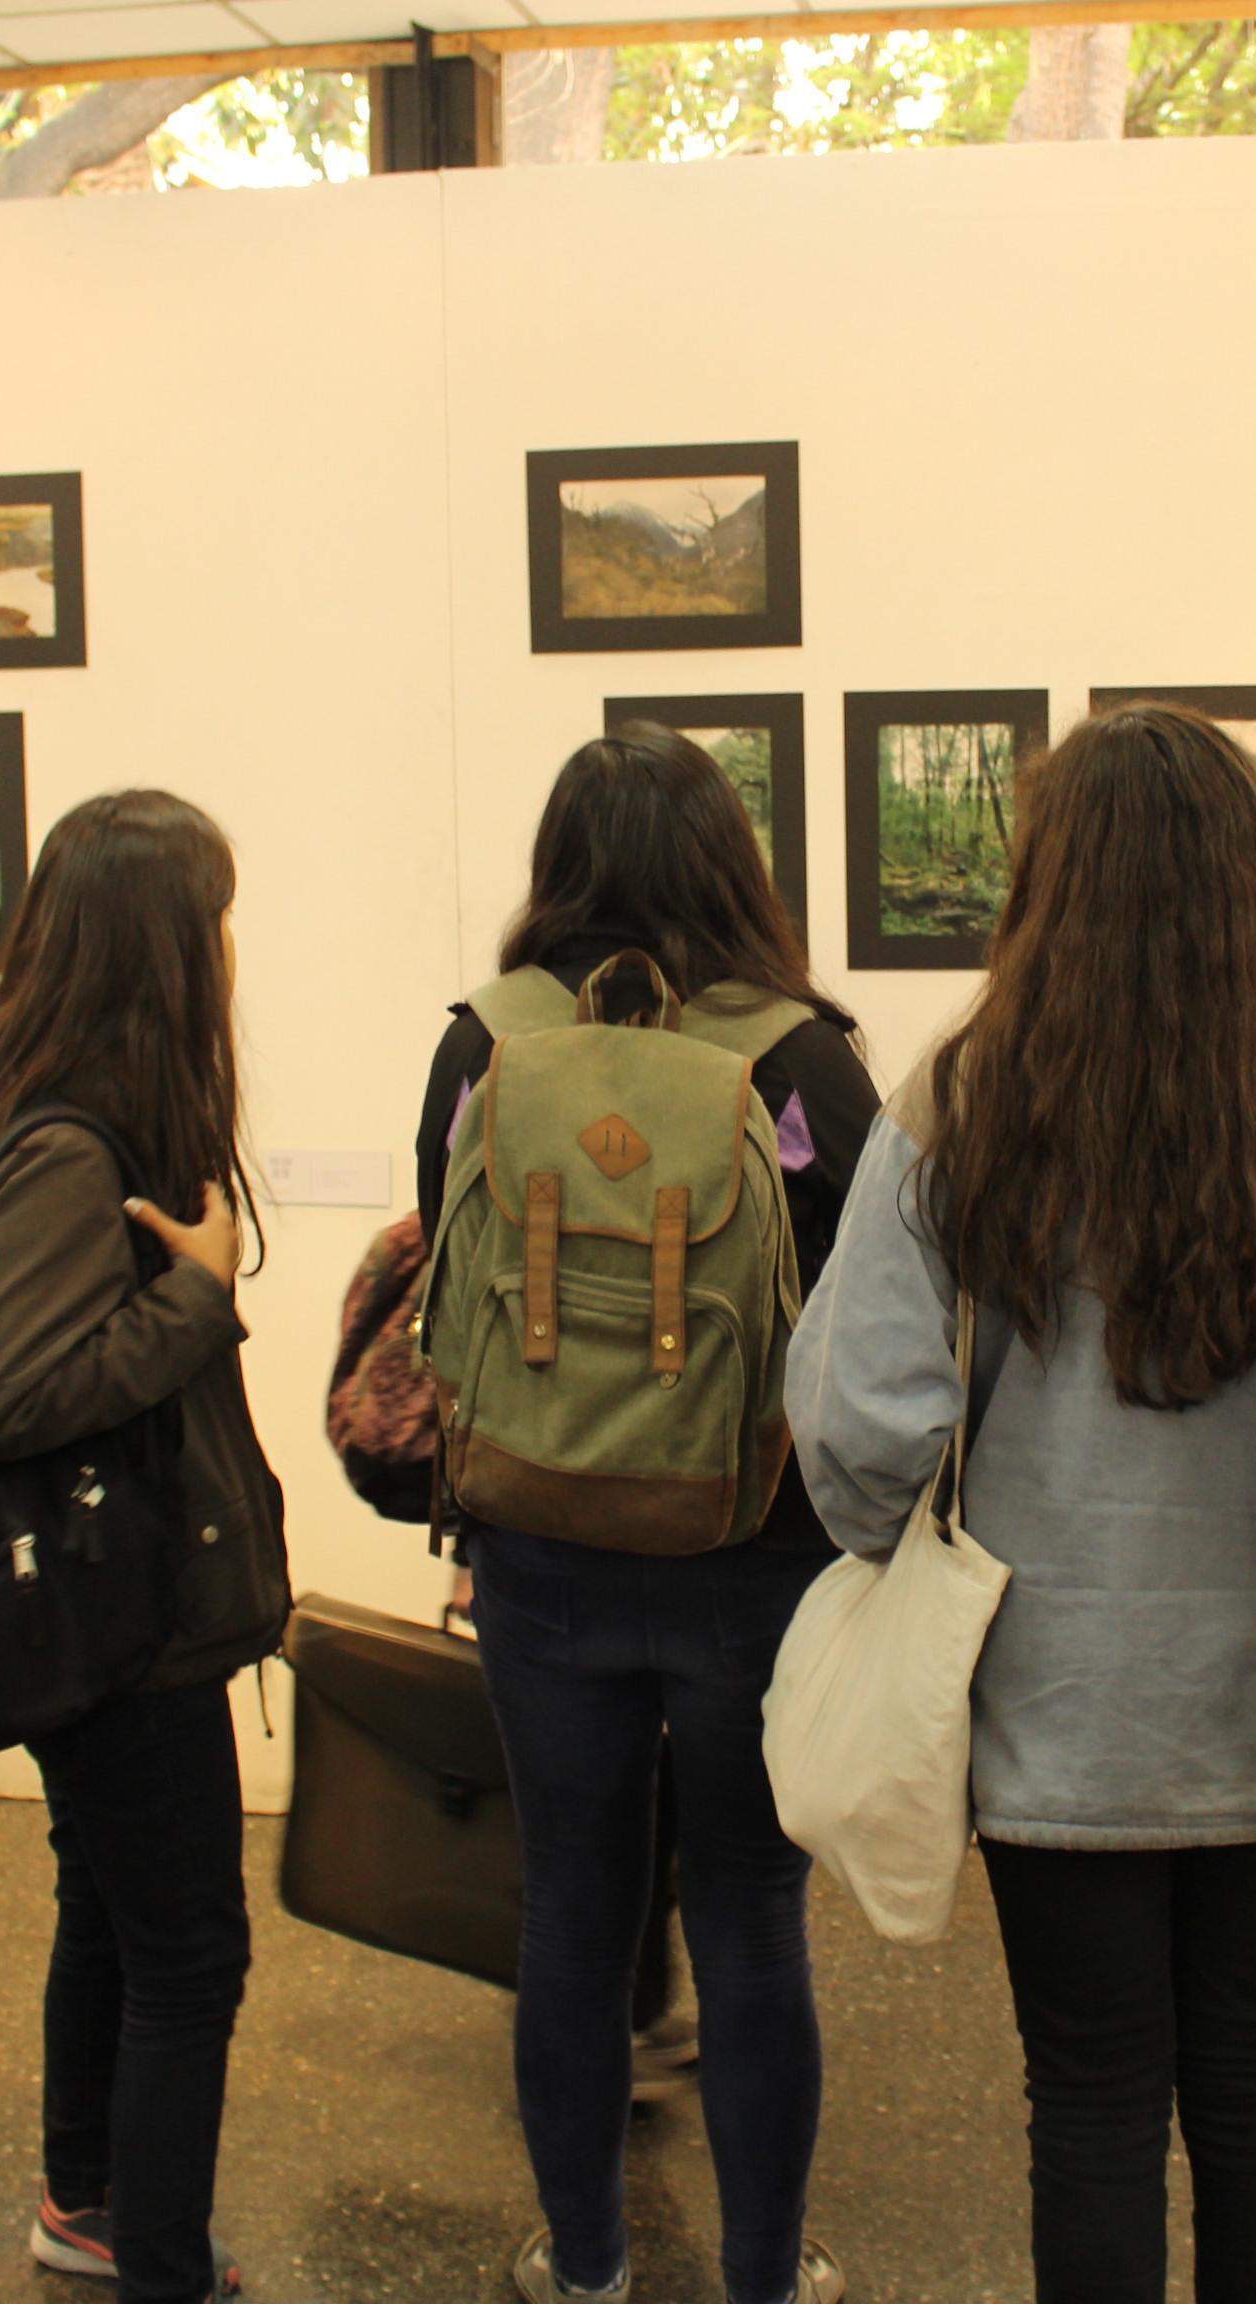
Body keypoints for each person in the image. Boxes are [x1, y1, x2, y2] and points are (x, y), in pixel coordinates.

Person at [787, 702, 1256, 2304]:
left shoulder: (970, 1096)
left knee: (1086, 2102)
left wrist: (919, 1537)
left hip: (1054, 1693)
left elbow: (858, 1416)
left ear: (1049, 883)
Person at [413, 726, 877, 2304]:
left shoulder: (486, 1044)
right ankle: (760, 2276)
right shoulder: (804, 1060)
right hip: (753, 1548)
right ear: (733, 866)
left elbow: (448, 1281)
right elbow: (873, 1323)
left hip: (539, 1544)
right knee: (748, 1920)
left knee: (573, 1917)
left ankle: (590, 2267)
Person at [0, 790, 289, 2304]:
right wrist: (193, 1291)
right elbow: (8, 1394)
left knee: (110, 1905)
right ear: (164, 949)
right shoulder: (70, 1139)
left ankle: (89, 2204)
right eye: (216, 920)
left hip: (92, 1609)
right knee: (192, 1957)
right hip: (119, 1623)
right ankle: (163, 2268)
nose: (231, 951)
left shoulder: (28, 1096)